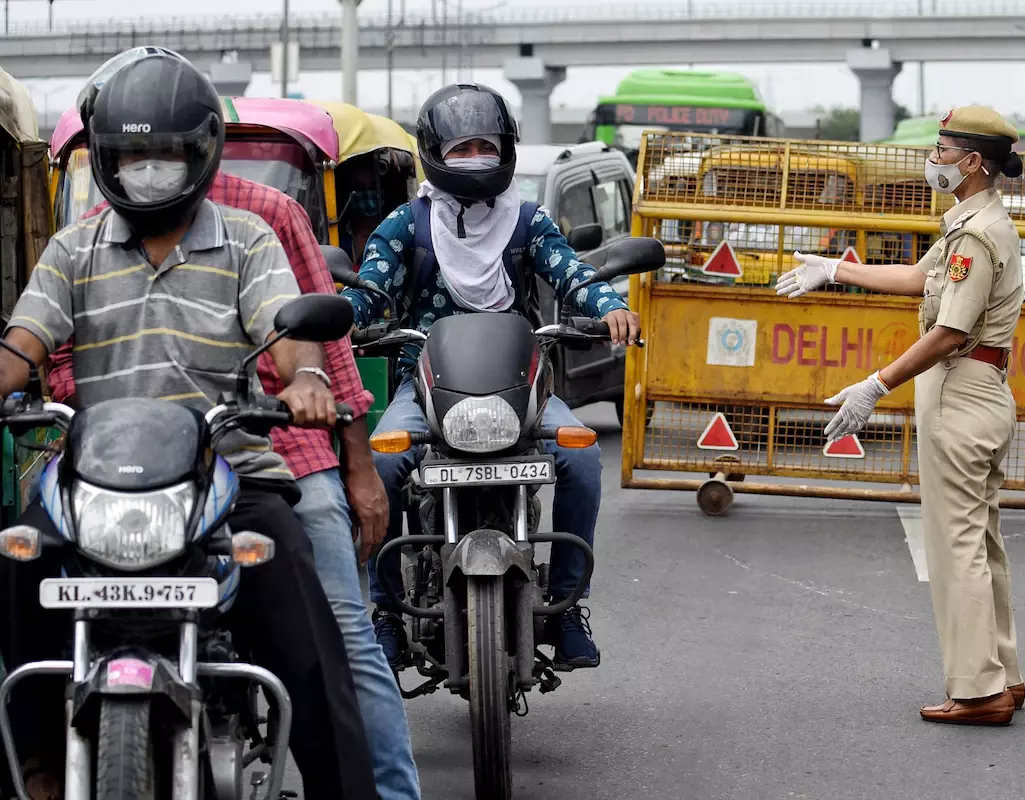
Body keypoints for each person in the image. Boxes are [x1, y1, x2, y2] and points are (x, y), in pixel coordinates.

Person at [44, 48, 423, 800]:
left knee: (339, 633)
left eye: (165, 150)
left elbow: (327, 362)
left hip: (271, 449)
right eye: (133, 151)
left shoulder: (266, 217)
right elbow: (54, 354)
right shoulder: (84, 239)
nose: (149, 166)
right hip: (129, 471)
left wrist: (354, 470)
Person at [341, 83, 640, 670]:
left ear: (504, 149)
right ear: (433, 153)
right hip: (424, 388)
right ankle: (386, 610)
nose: (475, 156)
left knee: (581, 459)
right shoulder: (407, 225)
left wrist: (608, 306)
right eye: (460, 148)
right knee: (381, 463)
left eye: (485, 144)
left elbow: (572, 272)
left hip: (523, 387)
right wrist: (339, 319)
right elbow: (372, 291)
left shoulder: (527, 221)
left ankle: (566, 604)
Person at [776, 105, 1025, 726]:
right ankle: (1004, 677)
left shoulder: (975, 234)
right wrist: (836, 269)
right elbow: (922, 279)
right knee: (982, 539)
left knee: (956, 545)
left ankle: (977, 692)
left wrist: (875, 384)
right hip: (983, 389)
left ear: (972, 162)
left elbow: (948, 331)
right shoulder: (975, 221)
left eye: (942, 149)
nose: (933, 158)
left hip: (961, 392)